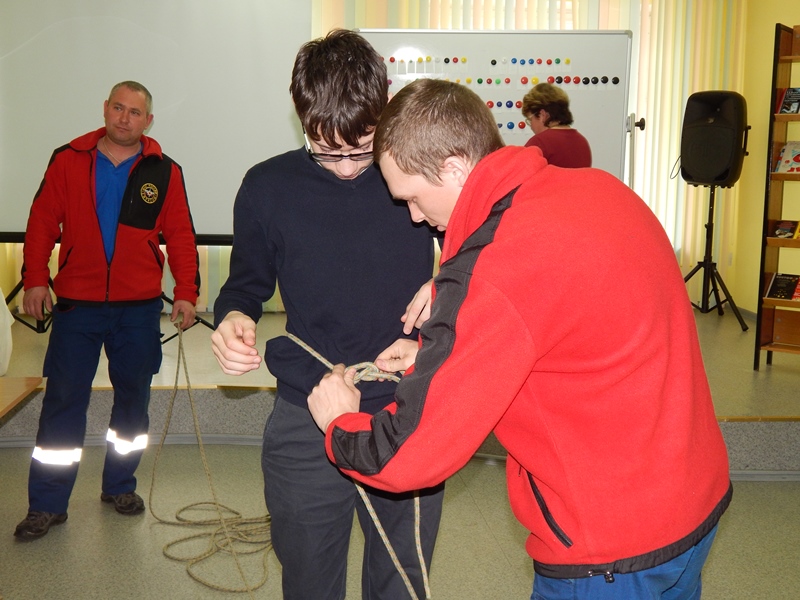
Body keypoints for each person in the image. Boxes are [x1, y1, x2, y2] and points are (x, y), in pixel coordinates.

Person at [308, 78, 732, 600]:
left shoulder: (495, 267)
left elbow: (408, 456)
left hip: (609, 552)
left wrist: (339, 423)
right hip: (692, 502)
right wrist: (440, 355)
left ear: (454, 168)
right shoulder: (598, 188)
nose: (414, 216)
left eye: (412, 198)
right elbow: (573, 338)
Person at [210, 30, 444, 600]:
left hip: (406, 405)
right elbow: (245, 284)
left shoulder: (423, 176)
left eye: (361, 150)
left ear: (385, 110)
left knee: (400, 579)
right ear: (301, 117)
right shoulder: (267, 187)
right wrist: (234, 316)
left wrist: (447, 283)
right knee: (309, 578)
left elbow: (489, 251)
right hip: (307, 410)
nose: (344, 167)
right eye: (326, 150)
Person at [15, 81, 199, 541]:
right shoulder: (68, 159)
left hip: (138, 310)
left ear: (148, 121)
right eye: (118, 108)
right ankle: (47, 504)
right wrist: (35, 278)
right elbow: (42, 222)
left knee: (133, 402)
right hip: (77, 306)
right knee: (63, 402)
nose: (124, 118)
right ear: (105, 109)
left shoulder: (164, 170)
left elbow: (180, 235)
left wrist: (186, 292)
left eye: (135, 112)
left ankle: (120, 486)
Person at [521, 82, 592, 168]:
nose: (531, 126)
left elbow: (521, 174)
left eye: (530, 119)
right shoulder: (582, 142)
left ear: (542, 115)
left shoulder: (539, 143)